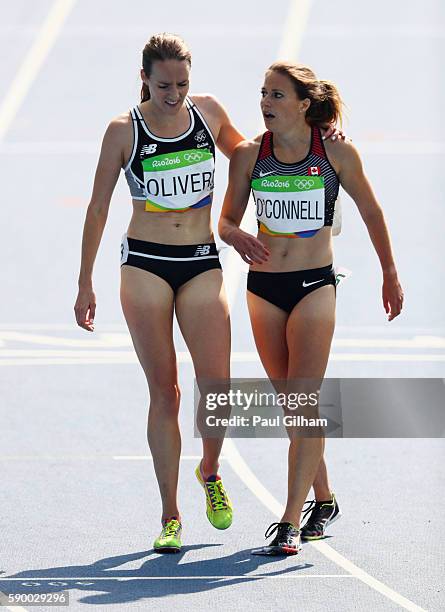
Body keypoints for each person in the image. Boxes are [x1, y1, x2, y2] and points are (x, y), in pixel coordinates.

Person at [219, 62, 404, 555]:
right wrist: (235, 234)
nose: (265, 103)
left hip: (313, 287)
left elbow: (371, 211)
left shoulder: (335, 151)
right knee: (291, 407)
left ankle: (289, 520)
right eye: (262, 93)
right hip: (263, 289)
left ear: (304, 104)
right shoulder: (249, 155)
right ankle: (323, 500)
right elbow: (227, 218)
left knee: (304, 401)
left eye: (277, 95)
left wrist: (389, 272)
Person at [74, 33, 246, 553]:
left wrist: (316, 138)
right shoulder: (124, 130)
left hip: (200, 261)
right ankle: (170, 514)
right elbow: (98, 207)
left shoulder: (208, 113)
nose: (175, 94)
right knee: (165, 391)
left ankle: (210, 473)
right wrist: (84, 280)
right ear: (145, 78)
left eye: (183, 84)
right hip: (146, 265)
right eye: (165, 84)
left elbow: (249, 154)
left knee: (216, 386)